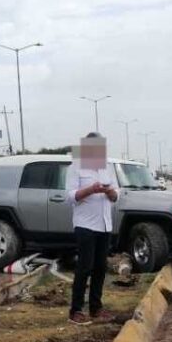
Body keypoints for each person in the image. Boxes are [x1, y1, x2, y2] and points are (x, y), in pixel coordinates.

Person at [66, 133, 119, 325]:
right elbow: (70, 196)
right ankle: (76, 311)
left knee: (100, 268)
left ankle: (96, 308)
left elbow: (115, 196)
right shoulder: (76, 167)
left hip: (105, 225)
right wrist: (91, 189)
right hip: (85, 225)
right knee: (84, 267)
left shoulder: (108, 167)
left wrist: (109, 191)